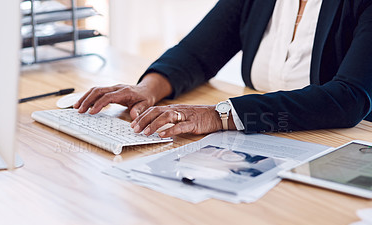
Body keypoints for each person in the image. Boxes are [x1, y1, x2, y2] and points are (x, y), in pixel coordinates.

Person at [74, 0, 372, 138]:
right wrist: (146, 90)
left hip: (341, 145)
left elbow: (347, 99)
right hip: (271, 141)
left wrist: (222, 115)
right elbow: (196, 53)